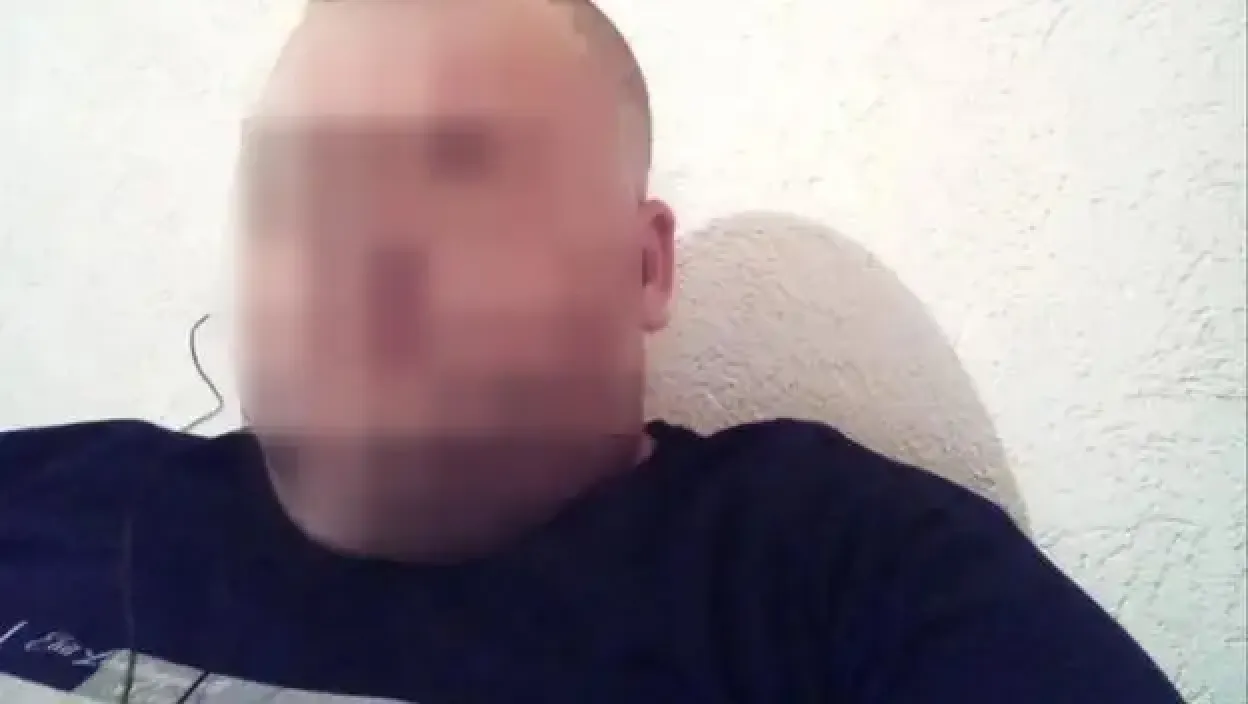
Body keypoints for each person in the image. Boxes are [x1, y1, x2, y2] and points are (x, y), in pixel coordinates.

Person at [0, 1, 1185, 702]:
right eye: (295, 181)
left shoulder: (844, 581)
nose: (346, 245)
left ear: (642, 265)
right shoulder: (50, 488)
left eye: (453, 169)